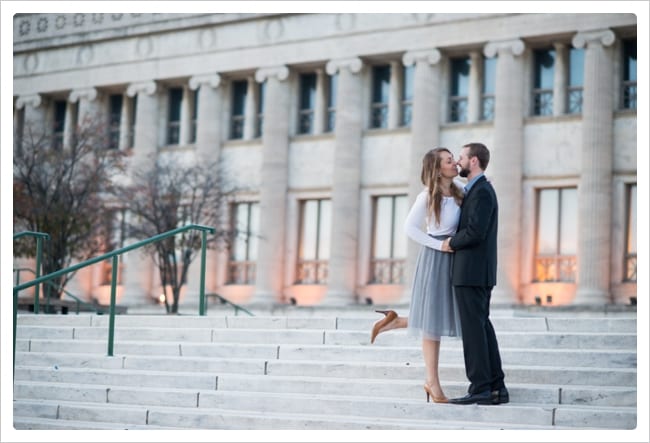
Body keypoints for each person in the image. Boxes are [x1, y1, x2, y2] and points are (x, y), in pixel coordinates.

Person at [370, 147, 464, 404]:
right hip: (436, 258)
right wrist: (439, 245)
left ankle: (396, 321)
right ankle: (432, 383)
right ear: (438, 169)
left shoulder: (460, 191)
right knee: (433, 320)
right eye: (448, 160)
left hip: (456, 258)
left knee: (441, 315)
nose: (455, 162)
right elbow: (409, 228)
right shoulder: (426, 196)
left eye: (454, 158)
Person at [441, 142, 508, 406]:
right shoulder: (477, 190)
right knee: (481, 329)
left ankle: (480, 387)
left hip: (471, 273)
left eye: (461, 157)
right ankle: (496, 388)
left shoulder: (481, 192)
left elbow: (475, 232)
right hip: (475, 273)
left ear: (474, 161)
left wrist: (451, 242)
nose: (458, 162)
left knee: (473, 332)